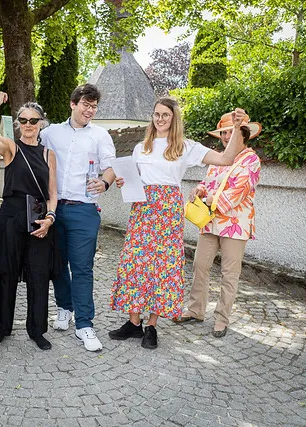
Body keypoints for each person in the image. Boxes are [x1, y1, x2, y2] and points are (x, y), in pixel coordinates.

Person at [109, 97, 248, 350]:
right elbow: (133, 177)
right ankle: (133, 323)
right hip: (142, 208)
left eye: (165, 115)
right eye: (156, 114)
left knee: (162, 266)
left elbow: (227, 158)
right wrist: (123, 181)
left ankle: (151, 326)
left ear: (174, 119)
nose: (160, 119)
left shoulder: (186, 147)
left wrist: (237, 128)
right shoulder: (141, 147)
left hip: (167, 210)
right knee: (135, 262)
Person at [0, 92, 58, 350]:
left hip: (37, 218)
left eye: (33, 121)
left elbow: (53, 195)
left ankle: (37, 330)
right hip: (11, 217)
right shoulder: (11, 147)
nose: (28, 125)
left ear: (41, 123)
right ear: (18, 123)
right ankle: (2, 327)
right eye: (23, 120)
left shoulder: (48, 155)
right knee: (6, 275)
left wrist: (50, 218)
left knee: (38, 275)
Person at [40, 83, 116, 352]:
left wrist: (105, 183)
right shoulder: (50, 133)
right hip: (54, 208)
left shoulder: (100, 135)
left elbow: (109, 167)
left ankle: (85, 325)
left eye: (94, 106)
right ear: (73, 104)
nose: (90, 110)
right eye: (86, 104)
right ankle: (64, 308)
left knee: (82, 268)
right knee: (58, 265)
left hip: (84, 210)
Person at [174, 113, 262, 338]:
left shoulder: (251, 160)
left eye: (230, 132)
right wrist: (200, 190)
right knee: (199, 266)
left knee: (229, 273)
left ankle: (222, 319)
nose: (225, 136)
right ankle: (195, 311)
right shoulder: (220, 158)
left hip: (235, 224)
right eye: (223, 132)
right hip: (210, 222)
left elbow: (239, 191)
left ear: (243, 134)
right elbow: (208, 182)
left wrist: (212, 200)